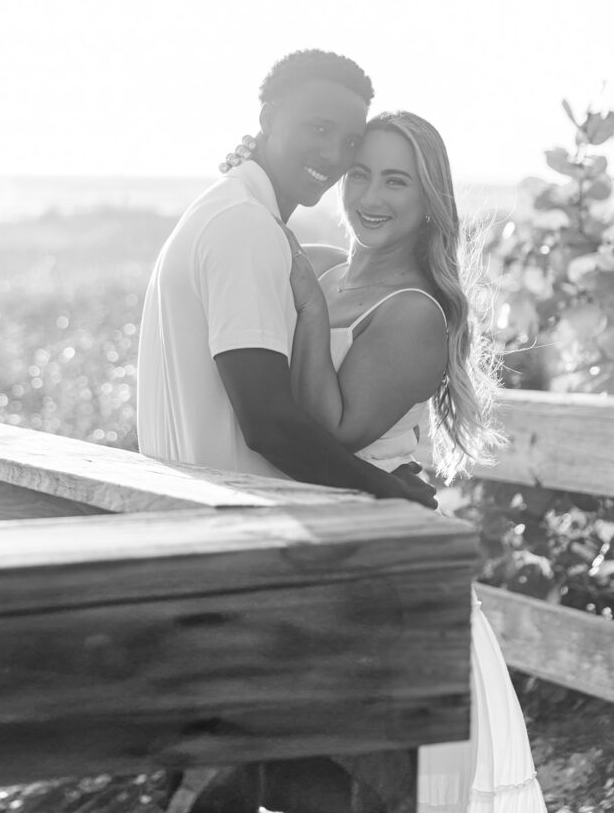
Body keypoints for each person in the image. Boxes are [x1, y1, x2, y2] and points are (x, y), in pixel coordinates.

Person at [137, 52, 437, 813]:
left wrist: (390, 499)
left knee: (327, 780)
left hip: (304, 551)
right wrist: (391, 496)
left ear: (428, 199)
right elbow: (271, 418)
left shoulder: (261, 232)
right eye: (322, 135)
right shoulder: (275, 243)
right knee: (295, 778)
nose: (339, 165)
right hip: (262, 547)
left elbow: (301, 415)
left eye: (356, 148)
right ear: (265, 121)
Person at [268, 110, 548, 812]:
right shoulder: (328, 274)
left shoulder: (412, 311)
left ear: (428, 203)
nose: (371, 195)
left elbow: (332, 428)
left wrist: (304, 312)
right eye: (359, 173)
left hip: (383, 578)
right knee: (303, 782)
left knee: (382, 791)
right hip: (308, 562)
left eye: (397, 180)